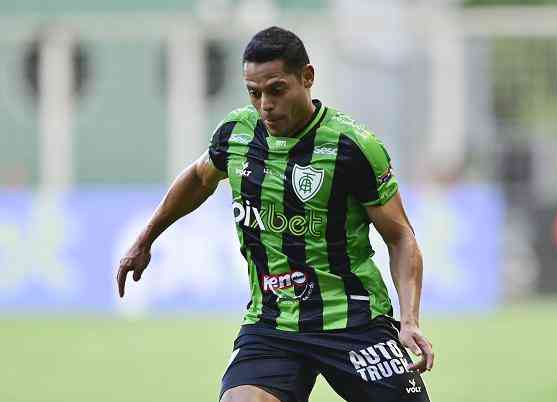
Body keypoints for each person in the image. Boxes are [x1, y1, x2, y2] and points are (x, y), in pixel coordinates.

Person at [116, 26, 433, 402]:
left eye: (276, 90)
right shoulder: (236, 133)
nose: (265, 104)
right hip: (272, 324)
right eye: (254, 92)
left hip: (354, 321)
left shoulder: (354, 147)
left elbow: (400, 237)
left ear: (307, 77)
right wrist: (145, 238)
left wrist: (409, 319)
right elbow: (200, 177)